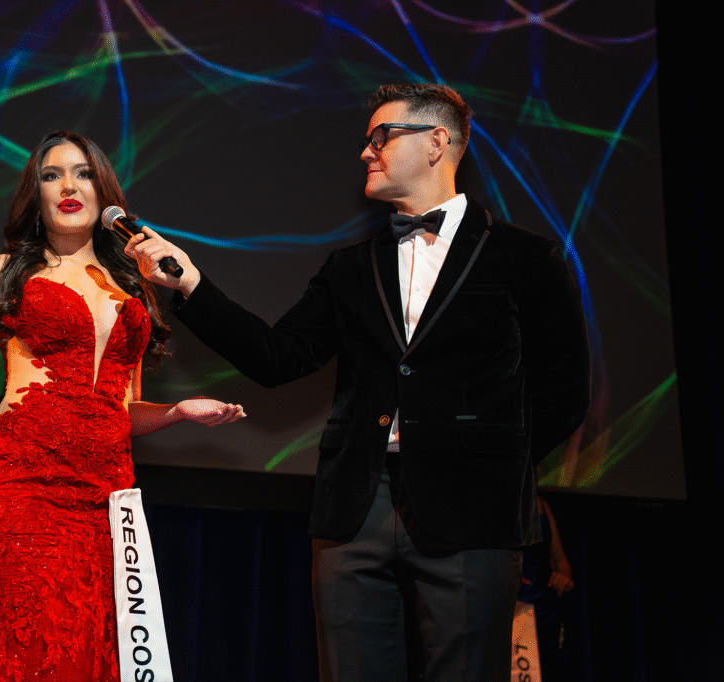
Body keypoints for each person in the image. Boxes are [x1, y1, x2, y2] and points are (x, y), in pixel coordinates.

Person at [126, 83, 591, 681]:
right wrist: (191, 284)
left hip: (473, 513)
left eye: (382, 137)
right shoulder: (353, 265)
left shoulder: (525, 257)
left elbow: (565, 389)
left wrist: (492, 470)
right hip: (357, 508)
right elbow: (278, 357)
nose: (365, 152)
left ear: (437, 142)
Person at [0, 130, 245, 681]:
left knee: (90, 653)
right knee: (34, 645)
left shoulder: (134, 285)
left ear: (104, 192)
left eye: (83, 173)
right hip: (21, 487)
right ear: (35, 195)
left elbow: (120, 410)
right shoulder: (4, 271)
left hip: (104, 500)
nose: (68, 186)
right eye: (51, 175)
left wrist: (177, 413)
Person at [517, 492, 574, 680]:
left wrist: (563, 579)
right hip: (511, 606)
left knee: (548, 670)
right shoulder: (493, 499)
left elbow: (560, 560)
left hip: (545, 608)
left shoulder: (541, 503)